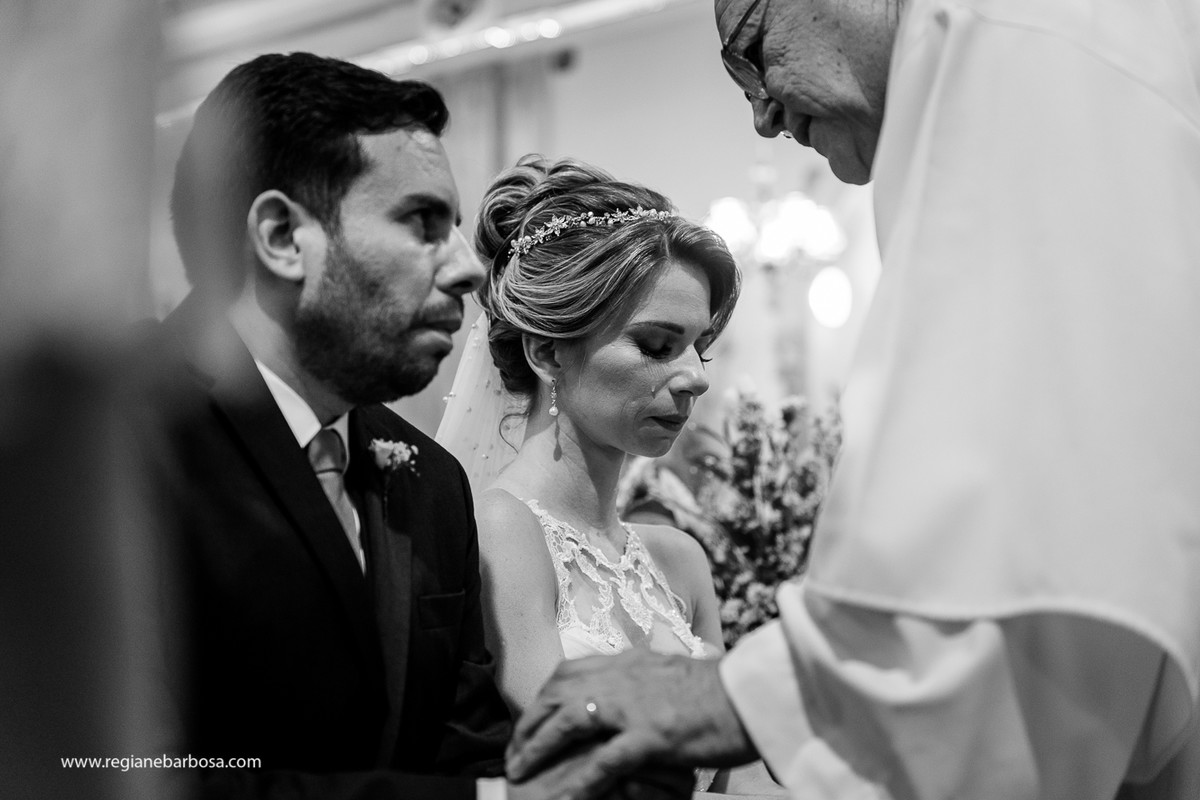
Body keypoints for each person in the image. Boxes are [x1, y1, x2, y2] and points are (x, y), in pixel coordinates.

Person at [504, 1, 1200, 798]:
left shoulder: (1021, 39)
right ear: (546, 352)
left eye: (752, 48)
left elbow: (1023, 535)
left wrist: (747, 698)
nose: (762, 115)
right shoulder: (505, 528)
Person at [136, 53, 687, 800]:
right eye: (422, 223)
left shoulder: (428, 480)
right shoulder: (120, 444)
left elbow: (461, 740)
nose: (465, 269)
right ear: (280, 235)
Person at [435, 156, 783, 797]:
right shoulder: (501, 530)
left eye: (698, 346)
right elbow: (586, 765)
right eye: (656, 345)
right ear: (546, 352)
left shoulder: (680, 559)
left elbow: (742, 782)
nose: (697, 376)